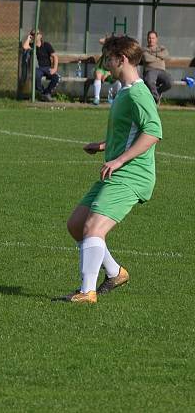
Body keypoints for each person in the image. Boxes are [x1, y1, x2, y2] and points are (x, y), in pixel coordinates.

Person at [61, 35, 162, 303]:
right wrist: (105, 145)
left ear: (122, 59)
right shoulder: (124, 91)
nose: (106, 64)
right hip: (117, 171)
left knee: (93, 227)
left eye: (109, 59)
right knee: (76, 225)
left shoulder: (139, 93)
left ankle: (87, 292)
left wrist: (118, 160)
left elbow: (152, 133)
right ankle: (115, 273)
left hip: (132, 175)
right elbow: (131, 131)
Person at [22, 30, 59, 102]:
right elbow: (24, 47)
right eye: (33, 34)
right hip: (39, 69)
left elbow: (55, 57)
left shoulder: (46, 45)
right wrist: (28, 38)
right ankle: (42, 93)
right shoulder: (32, 46)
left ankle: (46, 93)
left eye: (37, 34)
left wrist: (54, 69)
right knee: (35, 75)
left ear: (41, 35)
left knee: (56, 77)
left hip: (47, 68)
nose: (35, 35)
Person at [89, 35, 122, 105]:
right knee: (98, 73)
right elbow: (100, 40)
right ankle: (96, 98)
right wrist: (109, 39)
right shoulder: (106, 50)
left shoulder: (116, 54)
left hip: (111, 73)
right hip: (101, 71)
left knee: (120, 79)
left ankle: (118, 98)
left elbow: (116, 68)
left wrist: (108, 73)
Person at [142, 30, 171, 104]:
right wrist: (159, 57)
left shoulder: (161, 48)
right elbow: (147, 58)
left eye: (153, 38)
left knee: (169, 82)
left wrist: (153, 55)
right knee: (149, 81)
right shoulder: (144, 49)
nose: (151, 40)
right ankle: (155, 99)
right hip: (150, 70)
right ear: (147, 39)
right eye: (149, 38)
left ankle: (157, 92)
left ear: (156, 39)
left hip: (162, 71)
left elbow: (166, 54)